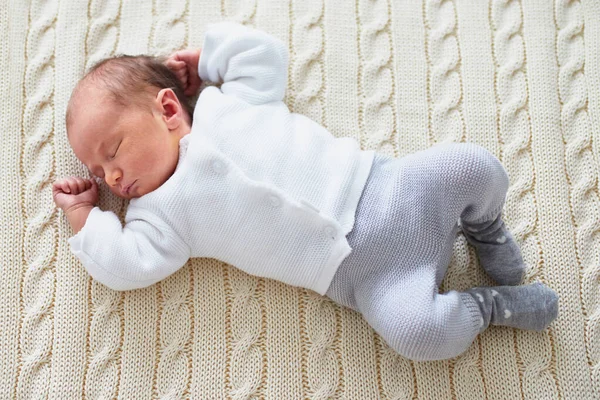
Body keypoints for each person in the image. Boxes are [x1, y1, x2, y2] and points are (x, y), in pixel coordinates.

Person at [52, 21, 558, 362]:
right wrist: (84, 214)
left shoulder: (226, 106)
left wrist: (207, 60)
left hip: (391, 188)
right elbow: (122, 264)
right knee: (417, 335)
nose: (111, 177)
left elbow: (264, 56)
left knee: (474, 165)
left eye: (113, 149)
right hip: (366, 276)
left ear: (166, 110)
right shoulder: (157, 219)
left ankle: (484, 230)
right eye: (98, 170)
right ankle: (493, 306)